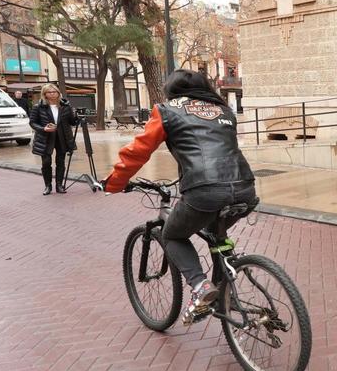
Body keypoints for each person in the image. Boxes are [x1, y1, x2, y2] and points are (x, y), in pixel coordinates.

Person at [104, 69, 256, 324]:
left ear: (172, 90)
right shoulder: (224, 110)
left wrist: (114, 183)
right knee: (215, 232)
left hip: (205, 191)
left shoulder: (166, 110)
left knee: (172, 235)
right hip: (244, 188)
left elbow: (138, 152)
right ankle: (223, 292)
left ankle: (201, 288)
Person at [29, 83, 79, 195]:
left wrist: (75, 115)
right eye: (49, 92)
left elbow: (72, 122)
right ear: (45, 94)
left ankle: (59, 185)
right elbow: (32, 122)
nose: (52, 94)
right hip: (45, 138)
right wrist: (43, 129)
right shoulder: (38, 107)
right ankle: (48, 186)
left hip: (62, 137)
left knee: (60, 162)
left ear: (58, 93)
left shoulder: (65, 106)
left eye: (55, 91)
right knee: (46, 162)